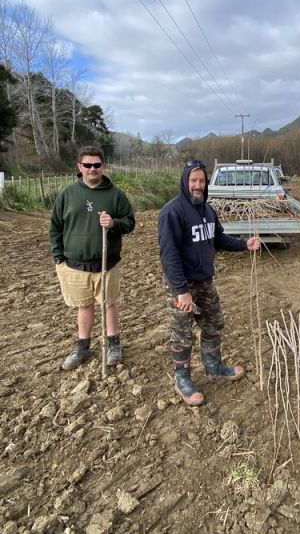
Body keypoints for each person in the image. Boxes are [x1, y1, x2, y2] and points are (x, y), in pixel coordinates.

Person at [158, 160, 261, 406]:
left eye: (202, 181)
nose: (198, 185)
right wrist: (182, 291)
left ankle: (214, 368)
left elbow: (219, 239)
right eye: (193, 181)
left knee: (214, 323)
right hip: (182, 286)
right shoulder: (172, 212)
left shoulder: (207, 210)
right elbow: (168, 255)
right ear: (185, 181)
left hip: (205, 281)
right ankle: (182, 380)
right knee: (182, 335)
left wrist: (244, 244)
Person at [49, 145, 135, 370]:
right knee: (84, 306)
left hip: (108, 263)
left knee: (109, 304)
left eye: (97, 165)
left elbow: (130, 222)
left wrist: (114, 223)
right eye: (87, 165)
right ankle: (83, 346)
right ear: (79, 167)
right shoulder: (67, 194)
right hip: (75, 264)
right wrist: (58, 257)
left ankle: (113, 344)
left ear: (103, 166)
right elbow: (55, 227)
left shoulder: (116, 194)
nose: (92, 169)